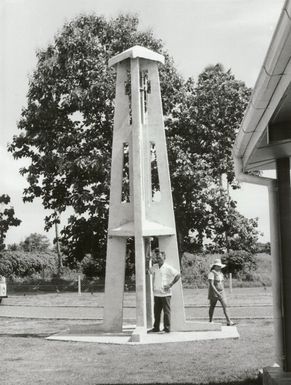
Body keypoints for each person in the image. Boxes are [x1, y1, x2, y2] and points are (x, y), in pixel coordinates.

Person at [147, 248, 181, 333]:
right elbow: (147, 272)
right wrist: (147, 260)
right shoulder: (154, 267)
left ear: (164, 258)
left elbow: (178, 275)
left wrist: (170, 284)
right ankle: (156, 328)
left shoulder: (168, 267)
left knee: (166, 312)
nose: (158, 259)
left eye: (160, 257)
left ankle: (167, 328)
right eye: (157, 257)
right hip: (157, 293)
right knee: (156, 312)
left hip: (166, 294)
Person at [208, 258, 235, 326]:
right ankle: (210, 321)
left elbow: (221, 283)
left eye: (220, 266)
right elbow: (211, 284)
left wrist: (222, 291)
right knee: (212, 306)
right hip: (214, 293)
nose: (219, 267)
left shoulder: (221, 273)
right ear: (214, 266)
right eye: (218, 266)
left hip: (222, 292)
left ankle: (229, 321)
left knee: (225, 305)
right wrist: (217, 292)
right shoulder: (211, 273)